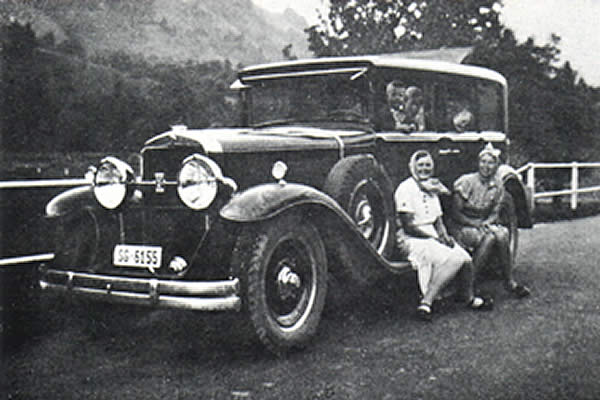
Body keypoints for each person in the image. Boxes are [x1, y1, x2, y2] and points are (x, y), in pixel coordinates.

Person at [395, 150, 493, 321]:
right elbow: (408, 226)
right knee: (453, 259)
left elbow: (438, 219)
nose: (424, 169)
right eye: (420, 165)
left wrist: (444, 235)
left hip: (432, 235)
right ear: (412, 167)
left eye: (427, 165)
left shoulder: (432, 187)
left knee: (466, 258)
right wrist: (434, 239)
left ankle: (468, 297)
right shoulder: (406, 188)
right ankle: (426, 303)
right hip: (413, 238)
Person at [449, 143, 531, 298]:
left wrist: (487, 223)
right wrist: (477, 224)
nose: (486, 166)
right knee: (491, 237)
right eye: (483, 162)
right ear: (478, 163)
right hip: (462, 225)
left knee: (501, 234)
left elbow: (495, 211)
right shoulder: (466, 182)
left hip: (483, 223)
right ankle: (469, 285)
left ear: (497, 165)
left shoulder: (498, 185)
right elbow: (455, 213)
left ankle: (508, 280)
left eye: (491, 163)